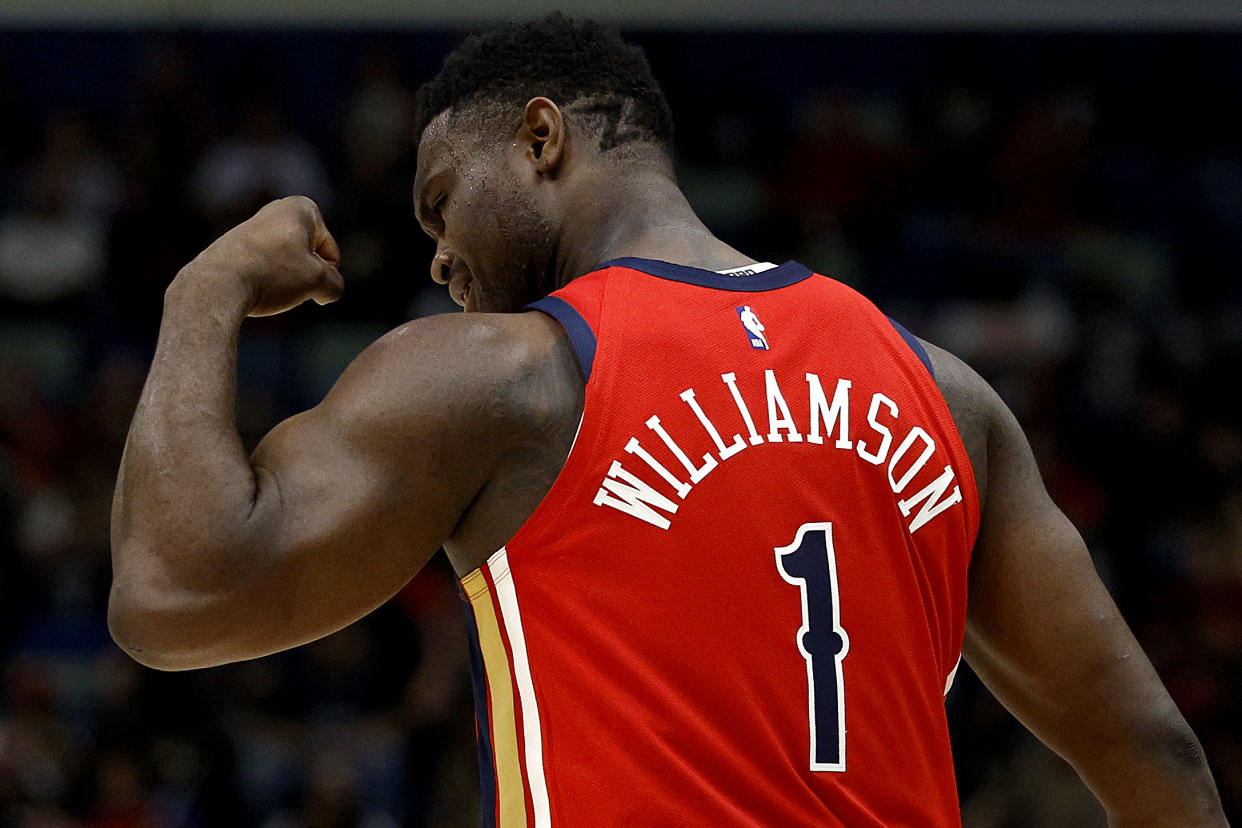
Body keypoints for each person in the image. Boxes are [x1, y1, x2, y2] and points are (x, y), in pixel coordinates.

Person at [109, 14, 1226, 827]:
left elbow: (175, 595)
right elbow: (1154, 753)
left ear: (542, 139)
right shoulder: (946, 392)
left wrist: (201, 288)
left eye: (442, 201)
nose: (439, 256)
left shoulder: (512, 379)